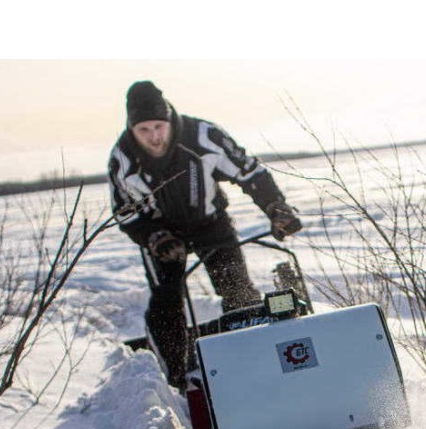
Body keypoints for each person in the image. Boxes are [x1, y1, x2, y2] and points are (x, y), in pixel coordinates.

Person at [108, 80, 302, 388]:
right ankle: (176, 379)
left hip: (211, 223)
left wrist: (276, 208)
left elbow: (249, 172)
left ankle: (254, 362)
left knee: (237, 288)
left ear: (169, 119)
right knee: (166, 300)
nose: (154, 137)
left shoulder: (203, 136)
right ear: (132, 129)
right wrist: (155, 238)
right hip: (163, 236)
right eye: (143, 130)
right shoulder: (123, 160)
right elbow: (127, 214)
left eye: (158, 126)